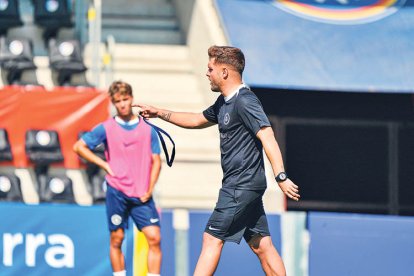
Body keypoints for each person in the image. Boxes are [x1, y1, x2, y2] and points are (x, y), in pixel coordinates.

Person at [136, 45, 300, 276]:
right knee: (261, 245)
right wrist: (159, 112)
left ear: (224, 72)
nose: (207, 73)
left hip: (240, 185)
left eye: (210, 68)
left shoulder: (245, 100)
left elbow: (268, 136)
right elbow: (195, 120)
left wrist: (280, 176)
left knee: (211, 238)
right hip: (246, 186)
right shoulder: (224, 102)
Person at [73, 81, 162, 276]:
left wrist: (150, 187)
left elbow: (157, 161)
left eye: (125, 99)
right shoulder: (106, 128)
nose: (122, 104)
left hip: (142, 194)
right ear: (113, 103)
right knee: (117, 239)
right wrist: (104, 165)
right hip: (117, 191)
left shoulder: (148, 129)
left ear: (132, 98)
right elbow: (79, 147)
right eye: (118, 101)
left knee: (154, 237)